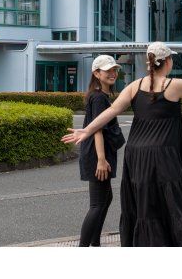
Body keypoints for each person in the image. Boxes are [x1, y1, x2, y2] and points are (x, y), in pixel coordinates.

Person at [62, 41, 182, 247]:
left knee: (144, 205)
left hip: (136, 156)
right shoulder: (174, 85)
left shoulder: (134, 86)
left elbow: (111, 111)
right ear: (168, 62)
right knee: (175, 203)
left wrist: (87, 129)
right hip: (164, 154)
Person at [77, 54, 125, 247]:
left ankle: (95, 243)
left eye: (114, 70)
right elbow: (97, 128)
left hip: (99, 152)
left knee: (105, 199)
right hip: (97, 154)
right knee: (97, 204)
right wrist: (101, 159)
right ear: (96, 73)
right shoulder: (98, 97)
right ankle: (84, 247)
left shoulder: (102, 95)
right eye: (107, 70)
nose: (112, 73)